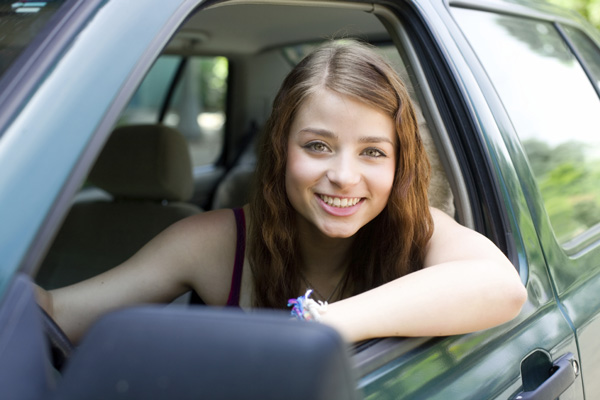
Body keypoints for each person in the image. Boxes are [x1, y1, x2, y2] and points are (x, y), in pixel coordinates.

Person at [36, 40, 526, 344]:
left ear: (400, 165)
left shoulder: (420, 231)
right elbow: (57, 315)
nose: (343, 175)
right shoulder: (214, 242)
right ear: (280, 148)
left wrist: (321, 326)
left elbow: (503, 287)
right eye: (318, 145)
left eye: (373, 152)